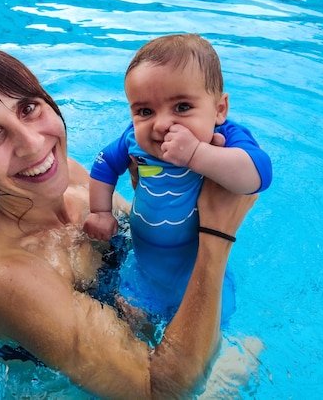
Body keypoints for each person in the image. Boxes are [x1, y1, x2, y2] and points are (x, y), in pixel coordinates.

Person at [0, 46, 259, 399]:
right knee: (244, 361)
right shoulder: (5, 277)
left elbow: (143, 246)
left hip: (116, 331)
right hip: (57, 386)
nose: (33, 145)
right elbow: (160, 394)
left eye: (28, 108)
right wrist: (217, 234)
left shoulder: (73, 178)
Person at [83, 34, 272, 318]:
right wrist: (100, 211)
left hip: (196, 275)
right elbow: (104, 163)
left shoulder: (224, 137)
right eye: (145, 111)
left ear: (219, 109)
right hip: (144, 270)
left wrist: (197, 155)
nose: (161, 124)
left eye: (182, 107)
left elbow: (259, 174)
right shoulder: (133, 139)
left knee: (213, 335)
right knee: (125, 326)